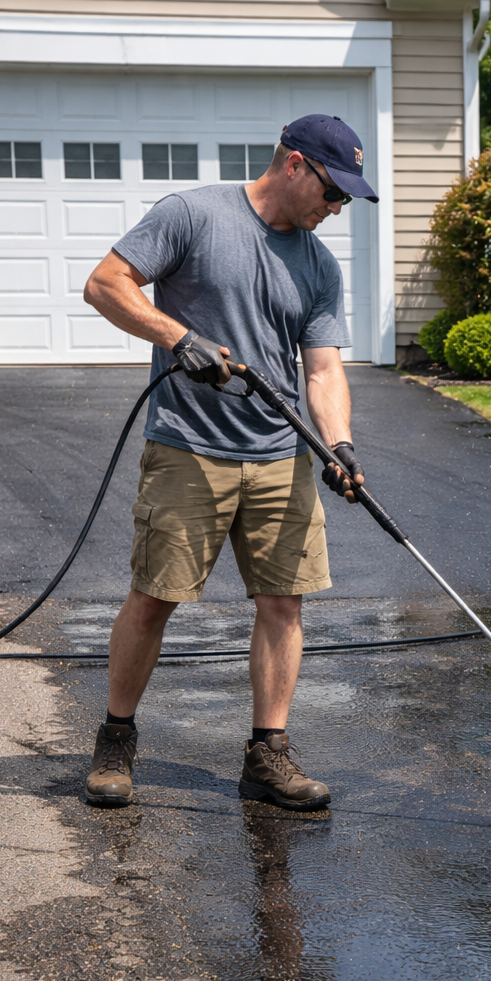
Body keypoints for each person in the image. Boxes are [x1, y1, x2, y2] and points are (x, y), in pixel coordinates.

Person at [81, 113, 378, 813]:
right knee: (156, 597)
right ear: (296, 165)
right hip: (189, 445)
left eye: (345, 202)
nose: (336, 211)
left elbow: (324, 368)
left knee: (283, 603)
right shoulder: (192, 215)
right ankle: (116, 740)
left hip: (279, 455)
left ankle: (266, 757)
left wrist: (338, 444)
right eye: (333, 193)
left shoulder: (317, 264)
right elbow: (105, 284)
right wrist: (177, 336)